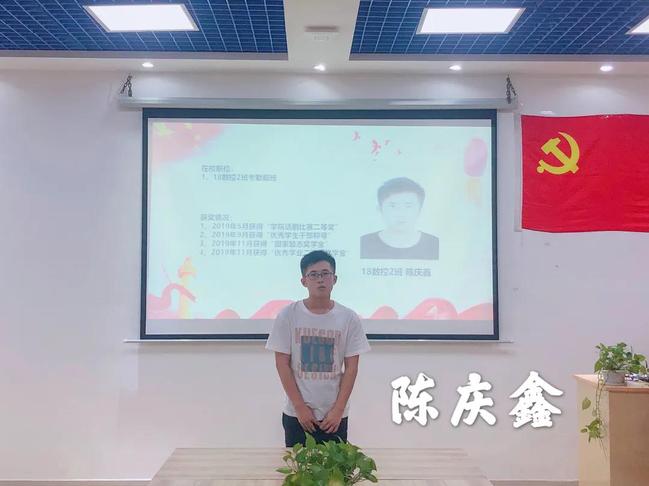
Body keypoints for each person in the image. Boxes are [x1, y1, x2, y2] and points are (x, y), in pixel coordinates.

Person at [266, 250, 371, 447]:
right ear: (304, 281)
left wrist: (338, 410)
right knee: (297, 466)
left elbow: (351, 368)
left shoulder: (348, 318)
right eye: (313, 275)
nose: (320, 279)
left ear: (335, 279)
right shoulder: (288, 315)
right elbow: (282, 364)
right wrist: (300, 407)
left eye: (325, 274)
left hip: (335, 417)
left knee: (336, 467)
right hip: (298, 415)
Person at [360, 177, 439, 260]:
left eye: (408, 206)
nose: (401, 213)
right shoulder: (364, 243)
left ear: (420, 209)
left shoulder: (434, 244)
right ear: (379, 209)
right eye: (393, 206)